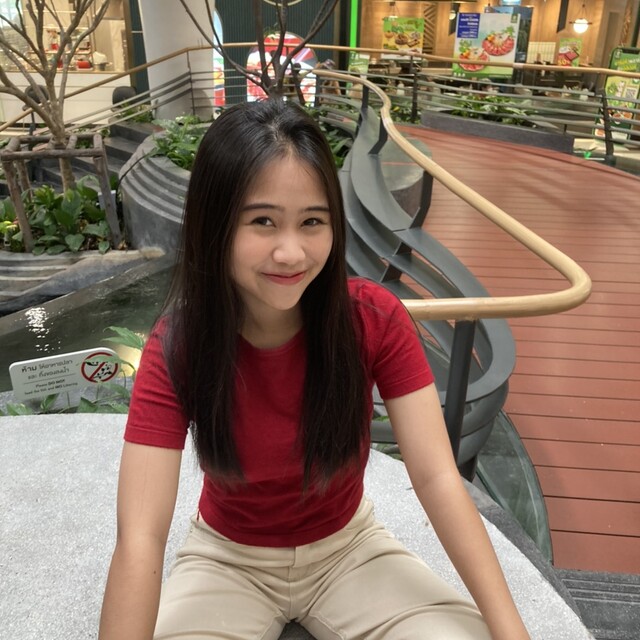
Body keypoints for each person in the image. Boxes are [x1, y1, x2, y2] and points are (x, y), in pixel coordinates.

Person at [99, 99, 530, 640]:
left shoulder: (373, 320)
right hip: (227, 558)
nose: (291, 252)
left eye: (312, 222)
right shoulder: (180, 344)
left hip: (350, 549)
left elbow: (438, 477)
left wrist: (512, 631)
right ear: (214, 225)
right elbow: (140, 537)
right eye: (262, 221)